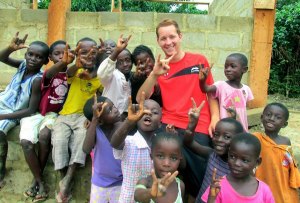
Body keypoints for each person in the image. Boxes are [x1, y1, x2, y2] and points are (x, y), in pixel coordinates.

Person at [136, 18, 220, 200]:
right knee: (166, 176)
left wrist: (215, 119)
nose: (168, 42)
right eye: (163, 39)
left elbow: (212, 93)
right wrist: (154, 74)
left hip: (198, 125)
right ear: (158, 41)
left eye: (172, 37)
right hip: (168, 126)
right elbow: (140, 99)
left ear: (180, 36)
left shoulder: (198, 60)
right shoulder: (160, 67)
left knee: (201, 181)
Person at [20, 40, 72, 201]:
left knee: (44, 136)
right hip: (36, 114)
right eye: (57, 54)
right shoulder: (48, 74)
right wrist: (63, 63)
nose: (61, 57)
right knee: (26, 142)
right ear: (50, 57)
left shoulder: (72, 74)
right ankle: (40, 181)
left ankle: (36, 181)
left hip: (53, 115)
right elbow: (49, 75)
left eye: (65, 54)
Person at [51, 37, 102, 202]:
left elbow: (100, 98)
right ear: (78, 54)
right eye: (83, 52)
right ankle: (63, 177)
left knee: (81, 139)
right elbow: (69, 73)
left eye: (92, 52)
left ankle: (68, 180)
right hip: (65, 115)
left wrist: (91, 117)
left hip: (83, 117)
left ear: (98, 54)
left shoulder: (101, 77)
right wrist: (76, 65)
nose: (88, 56)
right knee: (59, 140)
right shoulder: (77, 71)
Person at [0, 32, 49, 190]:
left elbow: (30, 110)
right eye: (30, 54)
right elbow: (2, 58)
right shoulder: (22, 65)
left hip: (13, 112)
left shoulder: (37, 80)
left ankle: (1, 169)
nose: (32, 59)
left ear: (45, 61)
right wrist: (10, 48)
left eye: (38, 57)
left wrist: (3, 116)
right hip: (3, 102)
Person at [110, 92, 161, 203]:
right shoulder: (129, 141)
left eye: (155, 112)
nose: (148, 113)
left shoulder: (160, 144)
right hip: (129, 199)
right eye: (144, 110)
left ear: (160, 123)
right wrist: (129, 121)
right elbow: (114, 143)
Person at [183, 115, 244, 203]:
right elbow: (189, 142)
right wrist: (192, 125)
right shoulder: (212, 154)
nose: (219, 139)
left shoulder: (238, 168)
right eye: (216, 134)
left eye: (226, 137)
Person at [201, 133, 275, 203]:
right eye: (232, 156)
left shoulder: (264, 190)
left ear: (257, 162)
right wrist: (211, 198)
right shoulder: (218, 186)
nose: (236, 163)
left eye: (244, 160)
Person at [253, 103, 300, 203]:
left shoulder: (286, 142)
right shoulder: (256, 138)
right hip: (263, 182)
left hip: (282, 184)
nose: (272, 118)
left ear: (284, 124)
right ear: (262, 117)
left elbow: (290, 165)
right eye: (268, 115)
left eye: (277, 117)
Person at [82, 95, 123, 203]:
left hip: (121, 183)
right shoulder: (95, 130)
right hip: (99, 183)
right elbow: (86, 149)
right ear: (100, 121)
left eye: (113, 106)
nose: (115, 110)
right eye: (110, 110)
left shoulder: (122, 126)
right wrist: (94, 120)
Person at [199, 53, 253, 132]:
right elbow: (205, 89)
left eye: (232, 66)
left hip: (241, 129)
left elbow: (243, 110)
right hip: (225, 128)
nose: (228, 69)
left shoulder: (246, 89)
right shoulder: (221, 85)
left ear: (244, 69)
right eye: (226, 66)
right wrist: (202, 81)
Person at [134, 132, 184, 203]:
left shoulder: (180, 186)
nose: (166, 164)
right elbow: (137, 196)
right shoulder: (145, 182)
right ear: (152, 156)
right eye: (160, 156)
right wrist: (150, 193)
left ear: (180, 159)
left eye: (173, 158)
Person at [97, 34, 132, 117]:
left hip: (121, 118)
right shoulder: (112, 76)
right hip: (108, 118)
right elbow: (102, 74)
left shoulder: (131, 78)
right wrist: (117, 50)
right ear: (115, 64)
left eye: (128, 60)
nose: (125, 64)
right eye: (120, 62)